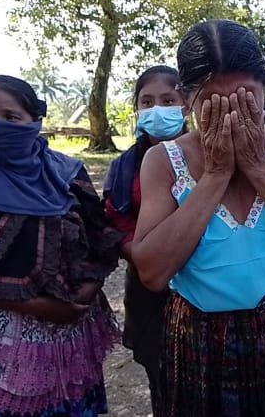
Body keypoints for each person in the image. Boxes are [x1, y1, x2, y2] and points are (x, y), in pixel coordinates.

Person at [129, 19, 265, 416]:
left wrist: (258, 169)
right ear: (187, 99)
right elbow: (153, 272)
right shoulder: (162, 161)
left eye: (246, 100)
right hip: (201, 341)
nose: (231, 115)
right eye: (213, 104)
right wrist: (214, 176)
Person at [0, 75, 122, 417]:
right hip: (2, 336)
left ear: (35, 122)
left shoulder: (67, 172)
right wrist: (41, 307)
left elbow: (99, 241)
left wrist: (85, 292)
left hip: (71, 329)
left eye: (11, 118)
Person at [102, 65, 187, 413]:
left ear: (187, 105)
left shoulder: (211, 157)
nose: (157, 109)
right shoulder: (124, 167)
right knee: (162, 374)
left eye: (168, 100)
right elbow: (114, 219)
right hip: (150, 288)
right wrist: (141, 254)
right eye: (147, 101)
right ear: (136, 109)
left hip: (207, 282)